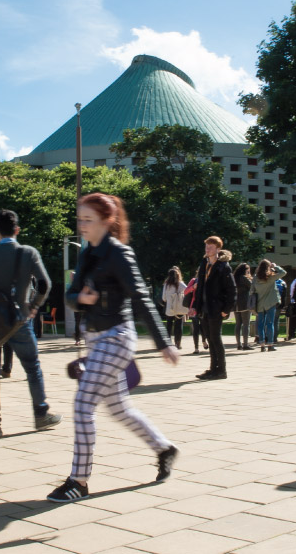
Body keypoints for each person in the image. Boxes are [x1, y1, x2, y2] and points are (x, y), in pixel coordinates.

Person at [48, 193, 180, 503]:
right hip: (95, 341)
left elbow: (142, 298)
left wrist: (163, 342)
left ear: (107, 221)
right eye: (79, 219)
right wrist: (81, 299)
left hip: (116, 338)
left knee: (83, 406)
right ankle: (164, 448)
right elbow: (69, 295)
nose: (82, 225)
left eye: (88, 220)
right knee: (120, 409)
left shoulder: (120, 254)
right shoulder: (87, 254)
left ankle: (78, 481)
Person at [0, 209, 62, 440]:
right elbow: (44, 284)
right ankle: (41, 413)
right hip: (20, 319)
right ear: (17, 230)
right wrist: (34, 306)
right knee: (32, 367)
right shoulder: (28, 253)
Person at [190, 236, 236, 380]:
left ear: (218, 249)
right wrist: (196, 306)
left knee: (216, 338)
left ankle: (221, 370)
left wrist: (226, 309)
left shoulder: (224, 267)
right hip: (205, 307)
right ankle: (212, 369)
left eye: (210, 247)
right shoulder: (204, 264)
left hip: (216, 308)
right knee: (209, 338)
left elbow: (232, 290)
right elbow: (200, 288)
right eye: (206, 246)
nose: (207, 249)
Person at [253, 260, 286, 351]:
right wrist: (275, 266)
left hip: (259, 303)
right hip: (270, 303)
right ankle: (270, 344)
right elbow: (283, 273)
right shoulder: (271, 277)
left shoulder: (255, 278)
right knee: (270, 323)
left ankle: (262, 344)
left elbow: (252, 291)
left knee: (260, 324)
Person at [160, 267, 188, 349]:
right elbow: (187, 291)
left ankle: (168, 343)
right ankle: (178, 343)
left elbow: (164, 298)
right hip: (179, 308)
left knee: (169, 325)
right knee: (179, 326)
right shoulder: (181, 283)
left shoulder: (166, 285)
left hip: (169, 309)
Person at [232, 263, 254, 350]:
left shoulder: (234, 278)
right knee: (246, 324)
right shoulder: (244, 278)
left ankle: (238, 344)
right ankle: (245, 344)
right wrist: (249, 276)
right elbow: (252, 286)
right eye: (247, 270)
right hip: (245, 303)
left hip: (236, 303)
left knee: (238, 324)